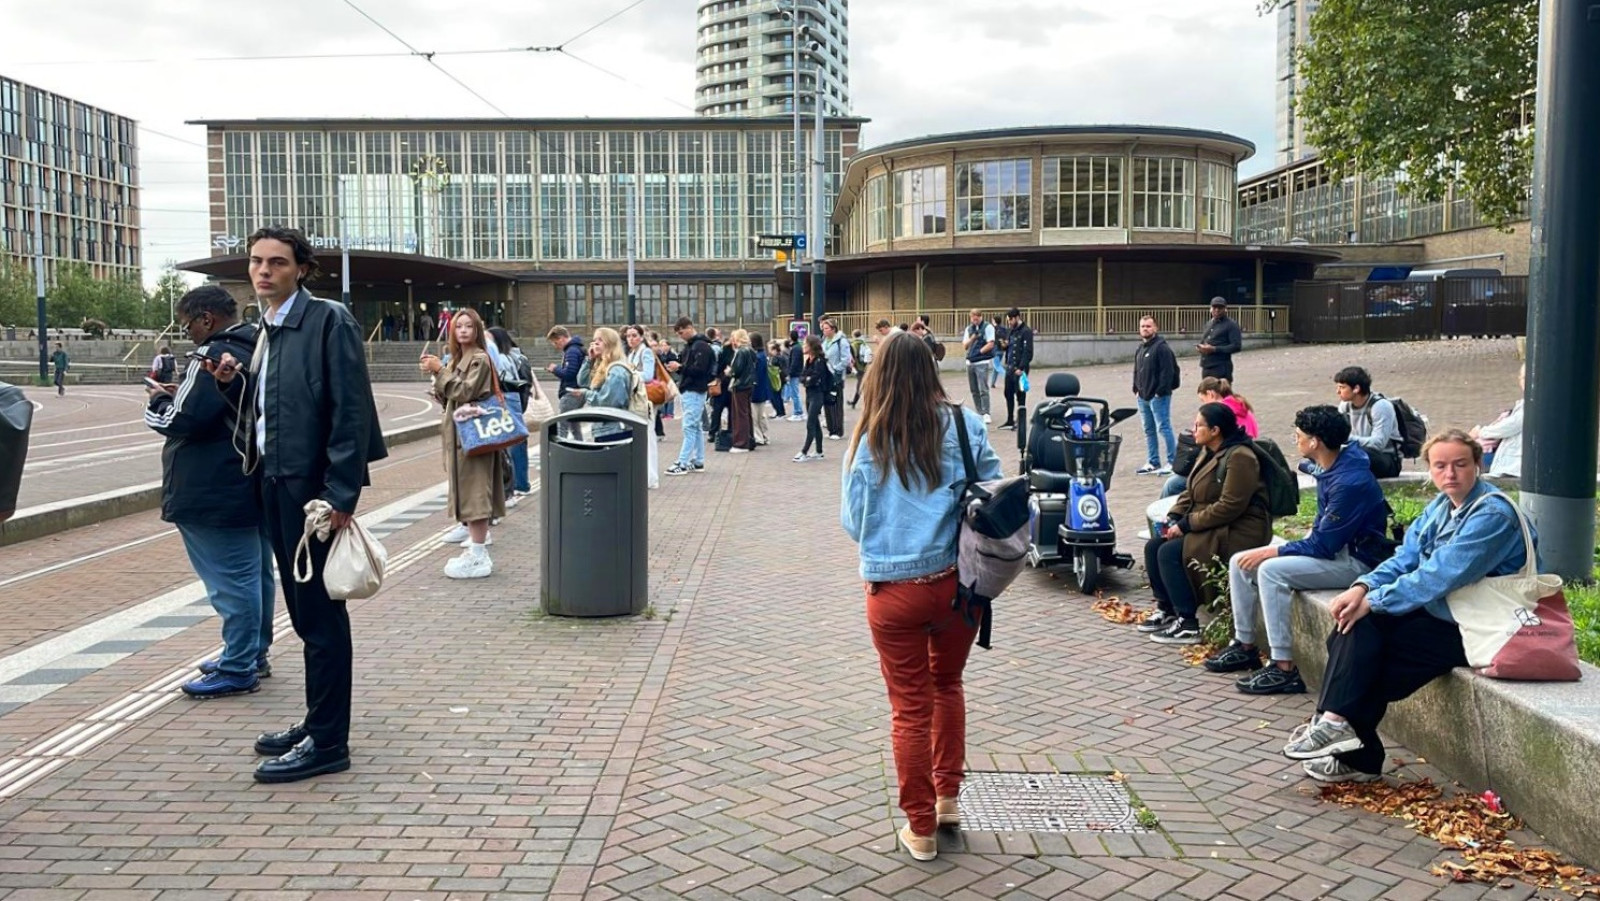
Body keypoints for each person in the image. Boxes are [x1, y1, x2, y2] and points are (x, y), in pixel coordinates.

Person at [212, 225, 386, 784]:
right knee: (304, 611)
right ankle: (317, 722)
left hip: (310, 492)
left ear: (301, 269)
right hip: (274, 482)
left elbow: (350, 409)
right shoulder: (268, 327)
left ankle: (330, 741)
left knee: (319, 616)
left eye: (277, 263)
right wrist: (229, 385)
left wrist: (339, 493)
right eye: (257, 262)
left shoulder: (326, 319)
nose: (264, 271)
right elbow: (273, 411)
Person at [1282, 430, 1538, 783]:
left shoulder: (1493, 515)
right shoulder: (1441, 506)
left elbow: (1440, 575)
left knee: (1370, 665)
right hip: (1437, 612)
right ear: (1430, 469)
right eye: (1440, 466)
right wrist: (1362, 587)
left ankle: (1350, 745)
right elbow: (1405, 558)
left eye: (1461, 464)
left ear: (1478, 465)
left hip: (1477, 626)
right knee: (1353, 627)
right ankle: (1335, 726)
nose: (1450, 474)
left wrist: (1376, 600)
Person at [840, 330, 1003, 862]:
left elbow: (852, 522)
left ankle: (921, 827)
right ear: (932, 369)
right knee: (948, 684)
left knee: (909, 708)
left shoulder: (871, 439)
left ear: (878, 376)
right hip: (960, 586)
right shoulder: (965, 422)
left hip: (893, 590)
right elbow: (995, 493)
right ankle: (949, 797)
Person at [1205, 405, 1391, 694]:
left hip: (1356, 561)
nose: (1296, 440)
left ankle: (1283, 668)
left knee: (1269, 570)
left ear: (1315, 442)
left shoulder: (1349, 482)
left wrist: (1271, 552)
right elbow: (1321, 527)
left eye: (1299, 435)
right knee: (1240, 561)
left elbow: (1323, 545)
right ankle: (1245, 645)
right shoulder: (1334, 463)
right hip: (1335, 549)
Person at [146, 286, 275, 698]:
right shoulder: (260, 344)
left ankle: (239, 666)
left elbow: (186, 418)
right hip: (252, 477)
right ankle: (253, 652)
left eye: (187, 325)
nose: (187, 334)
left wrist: (158, 404)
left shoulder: (213, 354)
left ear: (206, 318)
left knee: (231, 581)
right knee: (256, 575)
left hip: (212, 486)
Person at [1140, 403, 1271, 645]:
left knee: (1170, 553)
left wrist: (1187, 525)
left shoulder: (1241, 457)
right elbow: (1191, 491)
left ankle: (1188, 623)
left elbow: (1230, 506)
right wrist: (1174, 516)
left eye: (1199, 425)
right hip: (1213, 522)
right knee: (1153, 546)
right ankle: (1166, 609)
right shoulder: (1209, 451)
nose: (1194, 429)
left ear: (1215, 430)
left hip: (1240, 529)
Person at [421, 308, 505, 579]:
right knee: (468, 489)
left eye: (469, 326)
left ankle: (479, 553)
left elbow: (466, 391)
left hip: (473, 435)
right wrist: (440, 385)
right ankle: (476, 548)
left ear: (477, 329)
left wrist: (440, 370)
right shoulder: (461, 358)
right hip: (462, 435)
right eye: (459, 327)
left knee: (476, 491)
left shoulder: (479, 358)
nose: (464, 331)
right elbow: (455, 393)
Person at [1157, 378, 1260, 499]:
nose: (1204, 405)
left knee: (1173, 484)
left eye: (1203, 400)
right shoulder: (1240, 405)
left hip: (1225, 464)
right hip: (1237, 457)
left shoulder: (1219, 413)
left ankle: (1166, 516)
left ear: (1210, 394)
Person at [666, 317, 717, 476]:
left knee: (689, 427)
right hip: (694, 389)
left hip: (694, 389)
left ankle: (683, 461)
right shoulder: (697, 345)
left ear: (689, 328)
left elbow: (699, 370)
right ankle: (698, 460)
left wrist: (680, 367)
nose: (681, 335)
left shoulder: (699, 346)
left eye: (681, 332)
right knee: (695, 427)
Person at [487, 326, 533, 503]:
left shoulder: (501, 358)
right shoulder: (518, 355)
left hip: (505, 403)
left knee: (506, 449)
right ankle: (521, 484)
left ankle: (510, 491)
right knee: (517, 445)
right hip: (516, 402)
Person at [1334, 366, 1402, 478]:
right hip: (1357, 453)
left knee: (1357, 454)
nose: (1338, 392)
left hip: (1385, 459)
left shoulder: (1381, 406)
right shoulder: (1344, 406)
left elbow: (1378, 444)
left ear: (1356, 388)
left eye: (1342, 387)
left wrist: (1347, 439)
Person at [1133, 315, 1180, 475]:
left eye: (1148, 326)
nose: (1145, 329)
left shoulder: (1162, 348)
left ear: (1155, 328)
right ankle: (1153, 461)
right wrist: (1136, 388)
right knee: (1149, 430)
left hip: (1158, 397)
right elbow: (1137, 370)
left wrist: (1160, 391)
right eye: (1142, 326)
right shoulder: (1140, 348)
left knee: (1163, 427)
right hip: (1143, 397)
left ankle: (1173, 462)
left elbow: (1168, 372)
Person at [1472, 365, 1524, 478]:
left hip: (1515, 465)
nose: (1528, 382)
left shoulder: (1533, 405)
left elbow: (1510, 426)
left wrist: (1480, 432)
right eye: (1524, 378)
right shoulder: (1524, 404)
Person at [545, 326, 587, 437]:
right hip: (577, 391)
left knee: (562, 425)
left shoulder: (571, 351)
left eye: (555, 342)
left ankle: (560, 450)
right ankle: (580, 447)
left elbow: (569, 374)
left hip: (571, 392)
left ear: (562, 338)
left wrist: (555, 369)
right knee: (574, 425)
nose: (556, 346)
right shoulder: (576, 349)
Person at [795, 335, 830, 461]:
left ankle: (804, 451)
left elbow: (816, 378)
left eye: (805, 344)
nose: (803, 346)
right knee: (815, 423)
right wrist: (807, 379)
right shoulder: (808, 360)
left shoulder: (819, 361)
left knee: (810, 423)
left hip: (818, 394)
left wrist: (808, 379)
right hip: (809, 394)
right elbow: (802, 376)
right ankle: (819, 451)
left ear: (812, 346)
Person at [998, 308, 1033, 431]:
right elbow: (1009, 347)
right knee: (1008, 393)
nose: (1009, 322)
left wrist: (1021, 367)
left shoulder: (1026, 331)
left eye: (1011, 320)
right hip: (1010, 367)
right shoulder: (1010, 331)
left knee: (1020, 394)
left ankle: (1020, 420)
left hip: (1019, 368)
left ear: (1017, 317)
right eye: (1008, 320)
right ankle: (1009, 419)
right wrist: (1004, 346)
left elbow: (1028, 351)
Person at [724, 329, 758, 453]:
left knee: (740, 415)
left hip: (740, 385)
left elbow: (736, 370)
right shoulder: (750, 351)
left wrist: (729, 372)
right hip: (749, 384)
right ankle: (749, 439)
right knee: (746, 413)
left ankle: (741, 443)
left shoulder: (741, 352)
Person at [961, 308, 996, 424]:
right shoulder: (968, 329)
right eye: (972, 318)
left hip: (982, 362)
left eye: (976, 318)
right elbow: (965, 345)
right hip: (970, 362)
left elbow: (991, 343)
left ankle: (986, 412)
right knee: (974, 389)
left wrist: (979, 352)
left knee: (983, 388)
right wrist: (972, 338)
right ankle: (979, 411)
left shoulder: (988, 327)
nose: (974, 321)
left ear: (980, 317)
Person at [821, 317, 854, 439]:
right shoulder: (825, 341)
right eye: (823, 328)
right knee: (828, 402)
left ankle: (838, 430)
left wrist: (836, 369)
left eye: (826, 328)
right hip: (826, 376)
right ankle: (831, 429)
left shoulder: (842, 341)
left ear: (833, 329)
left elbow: (845, 359)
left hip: (836, 376)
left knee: (836, 403)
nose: (824, 331)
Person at [1198, 297, 1242, 381]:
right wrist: (1201, 347)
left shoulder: (1231, 325)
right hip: (1206, 366)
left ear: (1225, 309)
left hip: (1221, 366)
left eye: (1220, 308)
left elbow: (1236, 346)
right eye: (1214, 308)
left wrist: (1214, 349)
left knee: (1221, 393)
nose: (1217, 310)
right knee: (1207, 393)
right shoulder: (1209, 324)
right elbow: (1204, 340)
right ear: (1210, 309)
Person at [749, 332, 772, 445]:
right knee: (761, 415)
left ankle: (758, 437)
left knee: (754, 416)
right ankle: (765, 435)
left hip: (755, 389)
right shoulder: (763, 355)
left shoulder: (756, 357)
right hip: (762, 388)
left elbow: (754, 373)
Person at [784, 331, 806, 420]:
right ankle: (798, 411)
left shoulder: (795, 348)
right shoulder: (797, 347)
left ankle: (798, 412)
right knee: (795, 393)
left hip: (795, 373)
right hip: (797, 372)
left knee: (795, 393)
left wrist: (789, 373)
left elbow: (794, 362)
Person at [990, 314, 1008, 389]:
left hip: (995, 350)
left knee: (997, 366)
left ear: (994, 321)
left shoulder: (993, 329)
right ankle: (992, 383)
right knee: (995, 367)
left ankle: (1008, 377)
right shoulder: (1004, 328)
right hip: (1002, 350)